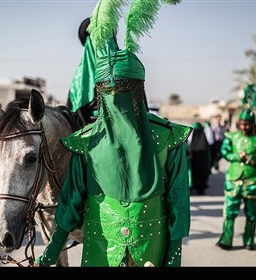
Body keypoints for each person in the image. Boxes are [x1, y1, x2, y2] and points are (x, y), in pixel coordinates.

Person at [35, 0, 188, 267]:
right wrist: (51, 252)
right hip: (99, 252)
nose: (116, 96)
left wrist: (174, 258)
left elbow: (178, 203)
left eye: (124, 88)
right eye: (107, 90)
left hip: (150, 250)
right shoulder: (86, 142)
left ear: (138, 89)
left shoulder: (168, 139)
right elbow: (70, 203)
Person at [216, 108, 256, 250]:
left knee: (252, 214)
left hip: (253, 182)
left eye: (247, 124)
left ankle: (249, 241)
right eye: (242, 124)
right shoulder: (232, 137)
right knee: (229, 212)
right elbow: (224, 152)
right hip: (233, 181)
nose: (244, 127)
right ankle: (226, 240)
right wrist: (236, 157)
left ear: (253, 124)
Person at [188, 122, 211, 195]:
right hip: (202, 159)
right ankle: (200, 188)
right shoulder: (204, 140)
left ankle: (194, 187)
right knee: (201, 173)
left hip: (193, 159)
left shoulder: (192, 141)